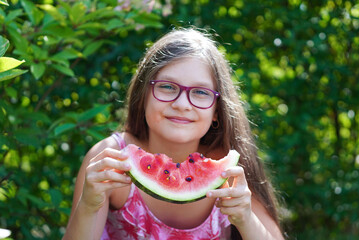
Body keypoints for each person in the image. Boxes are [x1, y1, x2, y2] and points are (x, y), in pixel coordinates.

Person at [63, 28, 284, 240]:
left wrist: (246, 218)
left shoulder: (230, 170)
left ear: (216, 110)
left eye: (200, 92)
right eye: (167, 87)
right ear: (144, 95)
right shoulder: (111, 160)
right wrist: (88, 206)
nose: (181, 104)